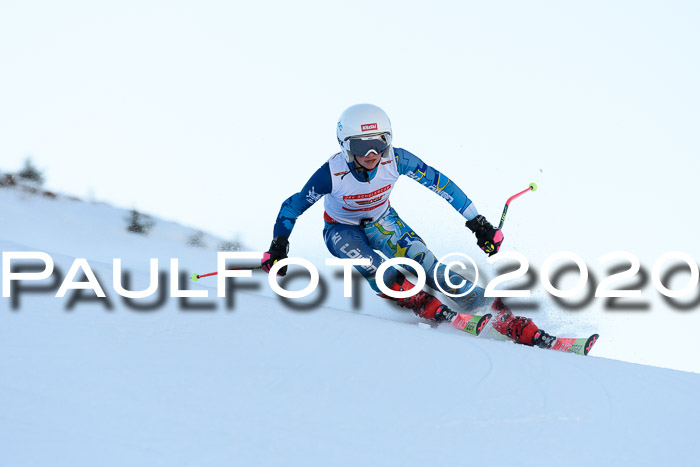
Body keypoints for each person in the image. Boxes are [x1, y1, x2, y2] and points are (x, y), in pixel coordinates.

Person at [261, 103, 555, 349]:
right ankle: (420, 302)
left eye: (379, 142)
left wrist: (478, 223)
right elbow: (293, 206)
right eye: (361, 145)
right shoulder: (331, 173)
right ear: (345, 146)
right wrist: (278, 246)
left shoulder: (397, 159)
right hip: (341, 230)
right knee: (372, 263)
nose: (372, 153)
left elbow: (442, 184)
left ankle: (497, 313)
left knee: (427, 264)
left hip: (383, 221)